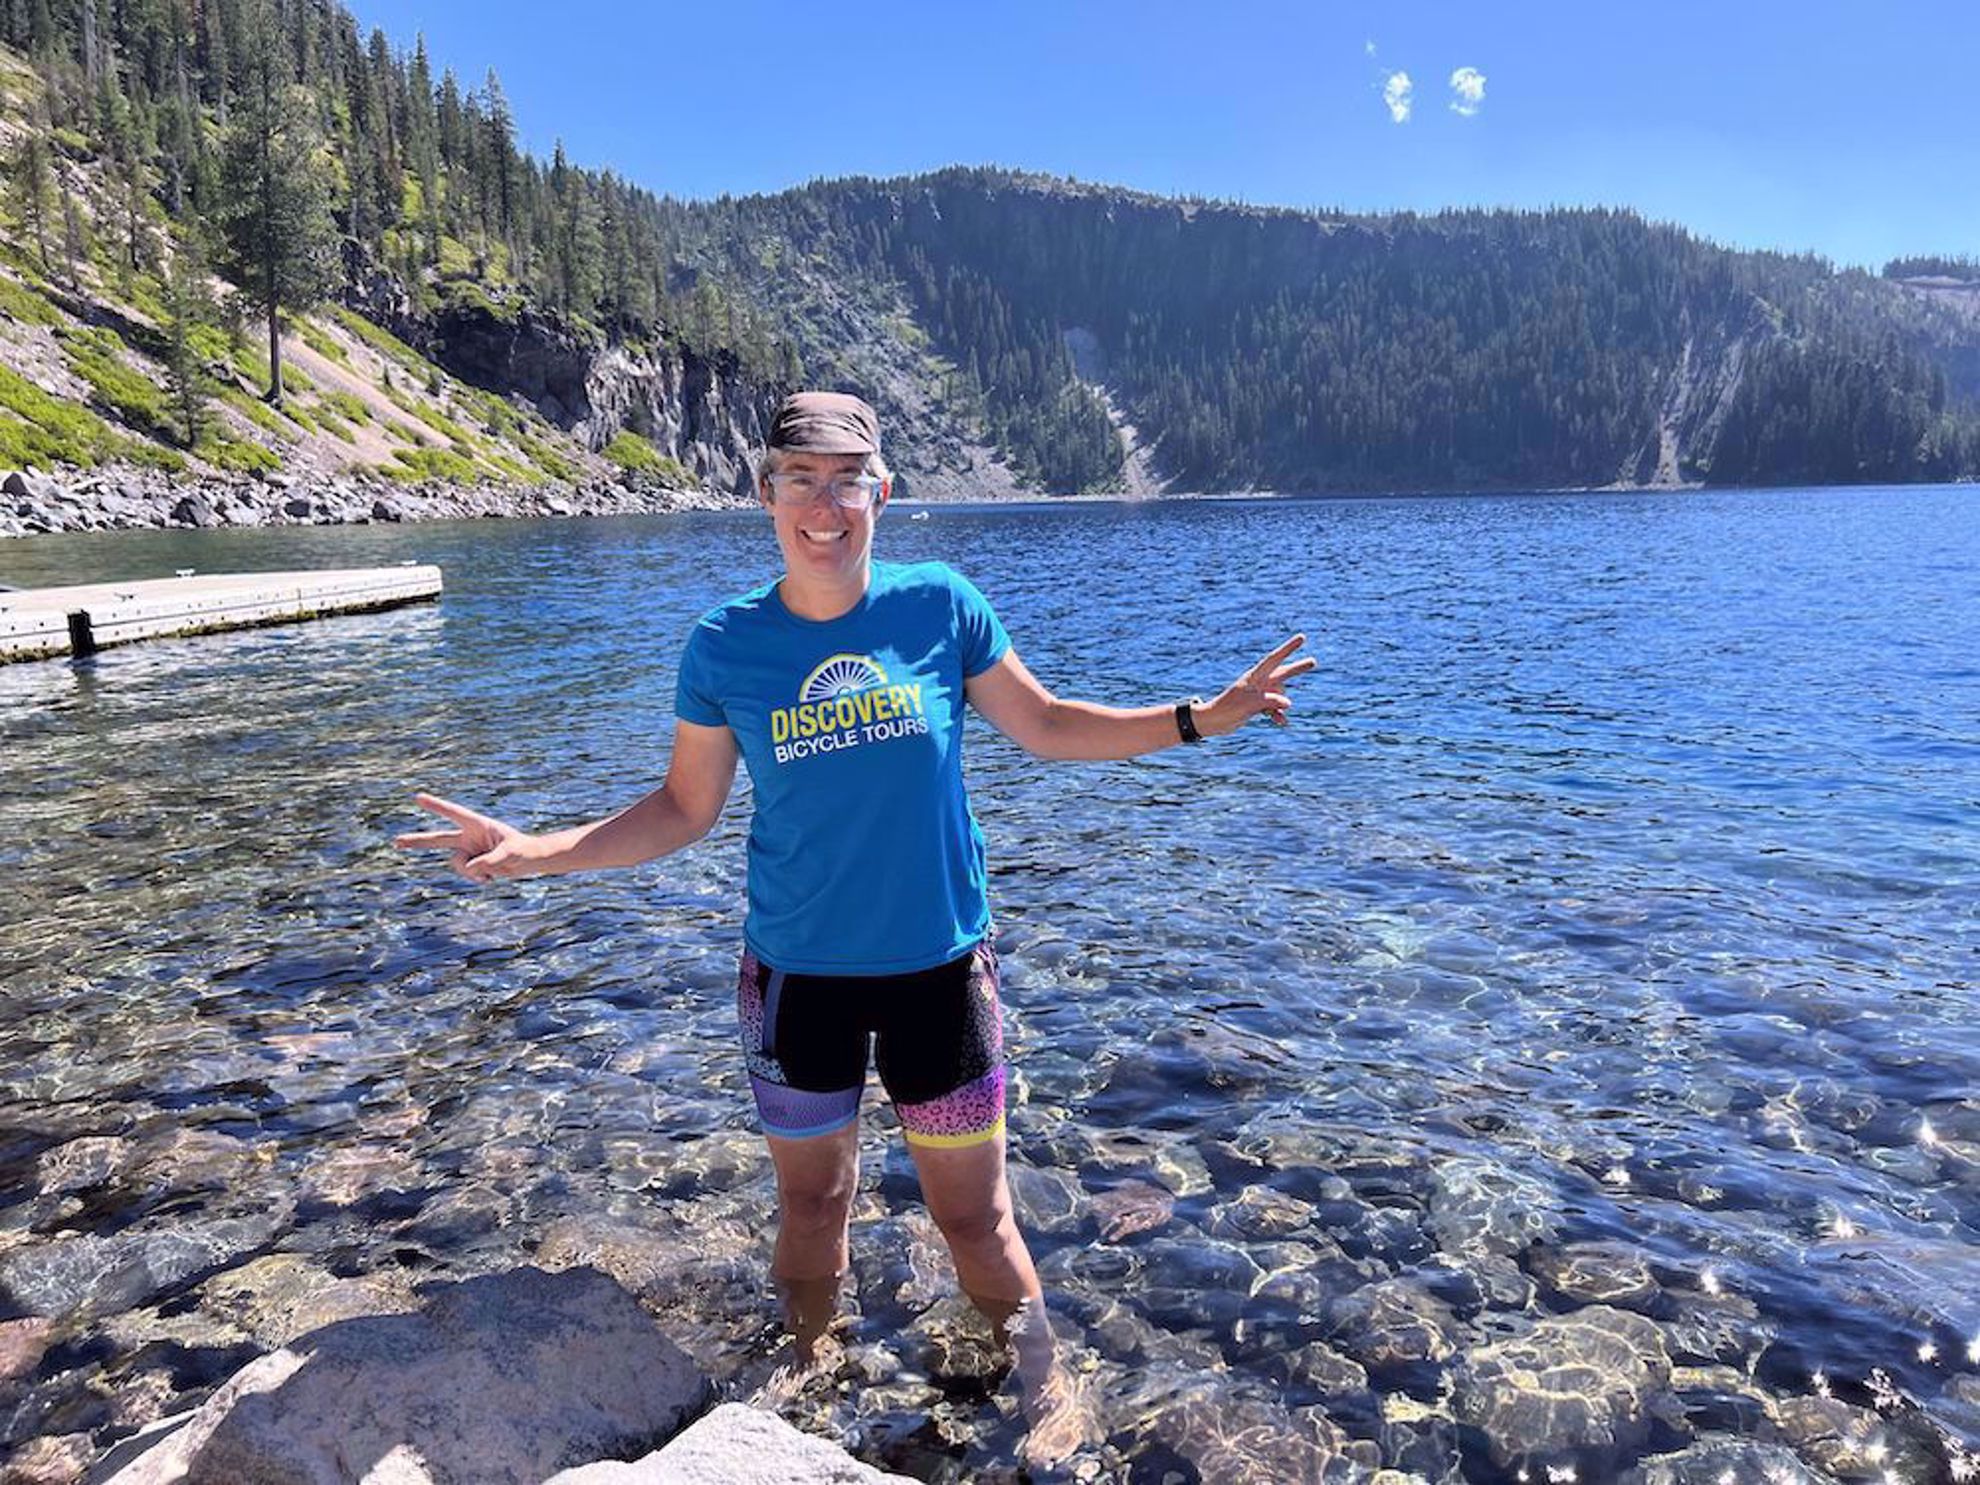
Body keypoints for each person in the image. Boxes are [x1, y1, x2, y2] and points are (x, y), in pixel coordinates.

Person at [397, 391, 1312, 1463]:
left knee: (976, 1220)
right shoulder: (726, 644)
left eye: (846, 480)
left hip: (940, 976)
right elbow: (684, 807)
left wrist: (1202, 716)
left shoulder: (940, 606)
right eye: (800, 479)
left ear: (883, 491)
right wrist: (538, 849)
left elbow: (1052, 726)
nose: (823, 505)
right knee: (815, 1197)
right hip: (797, 981)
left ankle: (1042, 1381)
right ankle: (811, 1363)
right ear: (765, 493)